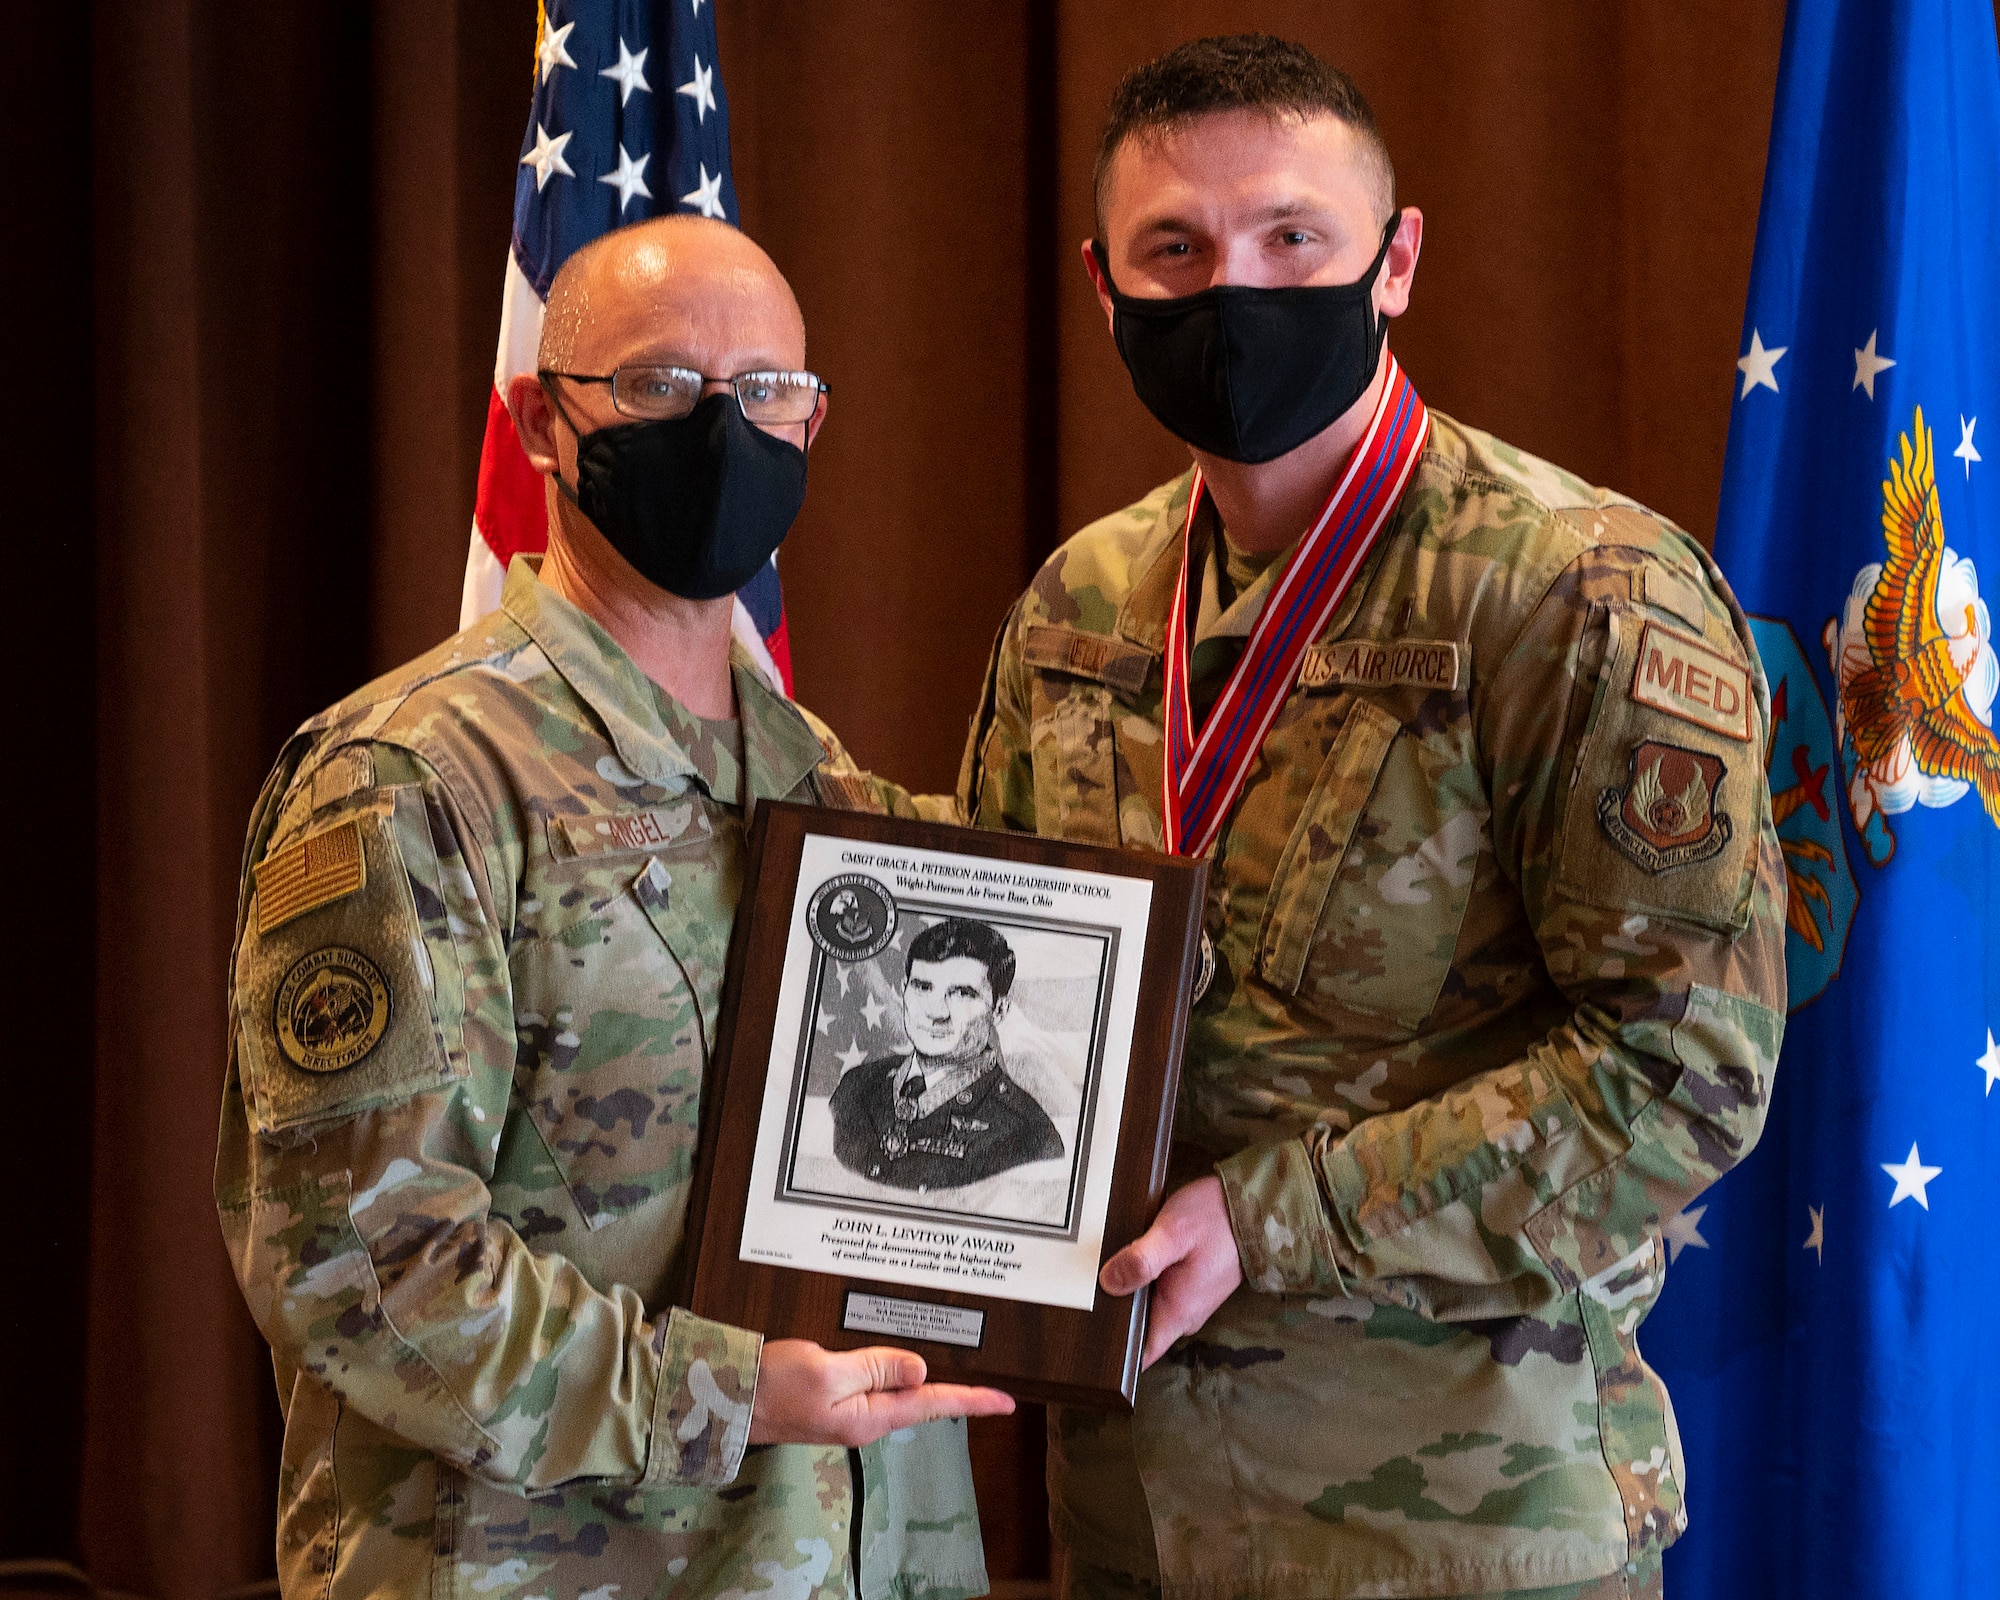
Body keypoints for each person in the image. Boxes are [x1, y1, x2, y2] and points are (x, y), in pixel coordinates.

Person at [957, 35, 1786, 1600]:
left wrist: (1276, 1220)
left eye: (1292, 239)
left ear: (1393, 262)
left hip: (1463, 1529)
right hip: (1135, 1523)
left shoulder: (1574, 591)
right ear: (1106, 285)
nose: (1236, 292)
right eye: (1176, 252)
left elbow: (1684, 1072)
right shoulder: (1076, 608)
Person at [215, 214, 1012, 1599]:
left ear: (813, 423)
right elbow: (358, 1259)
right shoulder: (408, 782)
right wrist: (726, 1394)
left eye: (765, 391)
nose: (723, 427)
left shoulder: (824, 785)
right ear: (540, 420)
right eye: (656, 385)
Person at [830, 918, 1064, 1189]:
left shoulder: (1027, 1132)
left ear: (999, 1011)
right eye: (922, 987)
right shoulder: (856, 1086)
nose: (936, 1013)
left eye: (962, 993)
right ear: (904, 988)